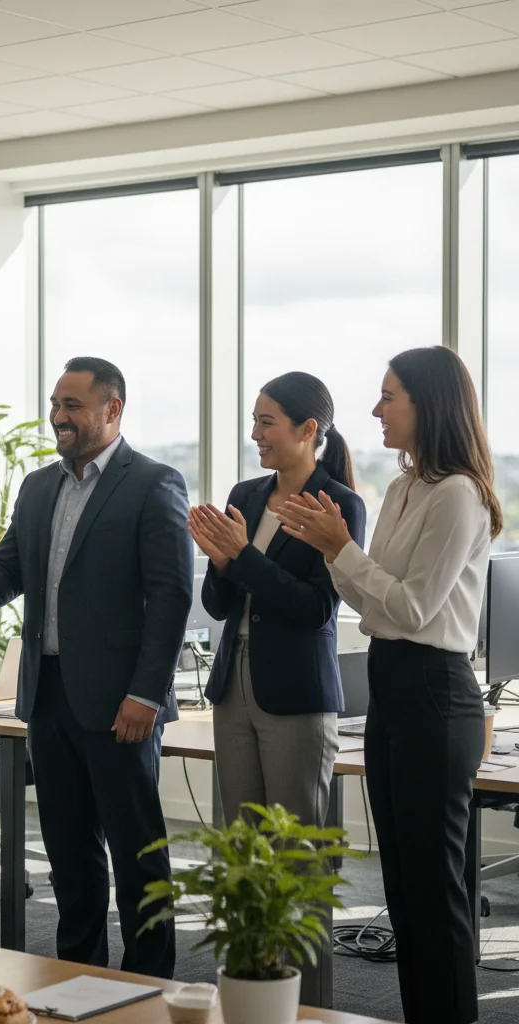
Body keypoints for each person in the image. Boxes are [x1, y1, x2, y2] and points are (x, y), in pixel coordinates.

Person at [0, 357, 193, 979]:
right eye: (55, 403)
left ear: (112, 410)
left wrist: (146, 695)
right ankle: (79, 978)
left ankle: (149, 983)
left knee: (137, 857)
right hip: (47, 699)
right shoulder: (39, 487)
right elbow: (8, 570)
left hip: (121, 706)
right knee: (71, 856)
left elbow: (172, 597)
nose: (59, 416)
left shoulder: (154, 483)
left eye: (73, 405)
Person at [277, 347, 498, 1024]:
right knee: (403, 891)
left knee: (435, 896)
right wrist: (335, 549)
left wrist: (342, 550)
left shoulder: (459, 494)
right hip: (394, 687)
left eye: (388, 396)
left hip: (436, 692)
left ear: (428, 405)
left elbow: (408, 609)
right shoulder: (404, 489)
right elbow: (373, 606)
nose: (375, 410)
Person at [189, 371, 365, 1006]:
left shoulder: (338, 503)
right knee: (245, 857)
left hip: (296, 696)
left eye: (267, 422)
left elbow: (315, 608)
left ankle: (309, 1007)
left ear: (307, 430)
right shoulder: (247, 492)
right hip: (234, 688)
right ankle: (250, 999)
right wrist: (219, 561)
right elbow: (219, 601)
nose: (255, 433)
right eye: (254, 421)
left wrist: (243, 558)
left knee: (296, 862)